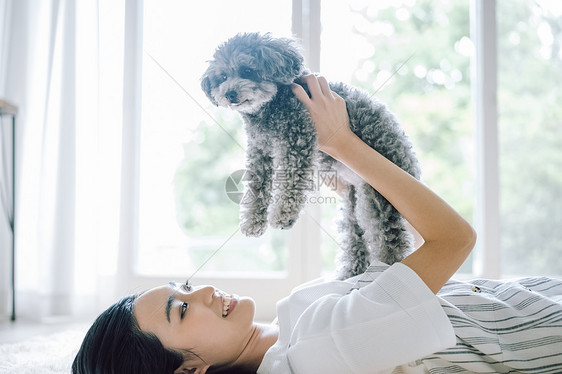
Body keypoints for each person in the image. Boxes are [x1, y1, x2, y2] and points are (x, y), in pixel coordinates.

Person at [72, 75, 562, 374]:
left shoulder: (294, 329)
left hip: (525, 296)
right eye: (181, 310)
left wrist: (348, 186)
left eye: (186, 286)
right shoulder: (315, 352)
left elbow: (399, 276)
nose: (202, 293)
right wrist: (341, 141)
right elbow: (456, 238)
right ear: (189, 371)